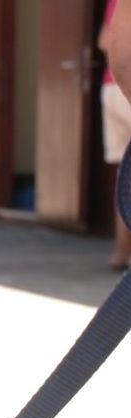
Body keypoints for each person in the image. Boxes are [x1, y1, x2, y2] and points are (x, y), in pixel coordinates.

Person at [99, 0, 131, 270]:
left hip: (111, 88)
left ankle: (120, 253)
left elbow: (103, 41)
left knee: (125, 176)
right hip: (127, 86)